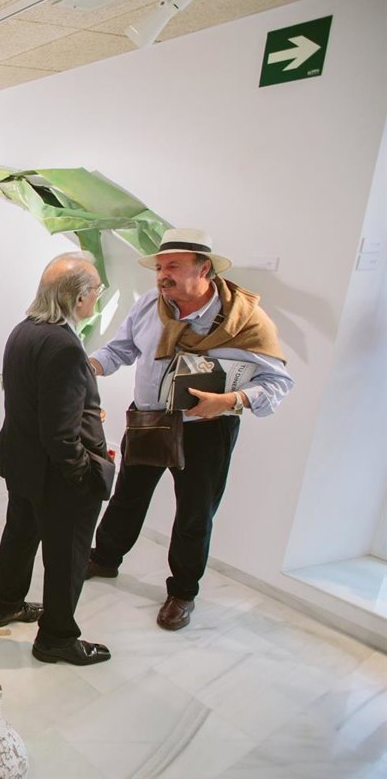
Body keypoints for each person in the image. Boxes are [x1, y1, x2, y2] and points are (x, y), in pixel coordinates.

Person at [86, 228, 294, 630]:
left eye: (174, 266)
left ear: (204, 269)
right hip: (149, 418)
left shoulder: (245, 320)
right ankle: (104, 558)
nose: (162, 275)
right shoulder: (150, 304)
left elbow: (277, 383)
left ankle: (182, 592)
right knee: (128, 496)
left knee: (194, 514)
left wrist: (228, 402)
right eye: (159, 267)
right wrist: (88, 366)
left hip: (206, 430)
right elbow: (120, 349)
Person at [0, 253, 114, 666]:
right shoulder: (64, 347)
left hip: (22, 462)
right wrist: (82, 475)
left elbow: (36, 403)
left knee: (20, 535)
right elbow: (60, 436)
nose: (96, 297)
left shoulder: (23, 331)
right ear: (78, 297)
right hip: (54, 474)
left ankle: (5, 604)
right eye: (96, 290)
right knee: (66, 557)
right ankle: (56, 638)